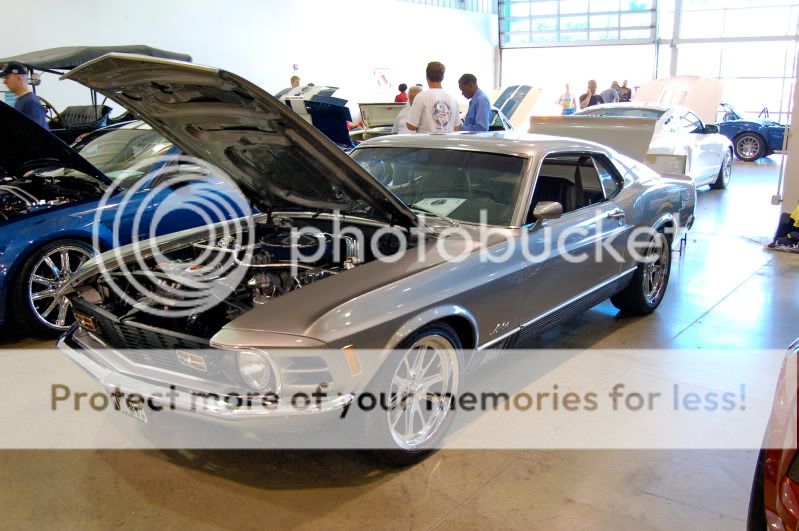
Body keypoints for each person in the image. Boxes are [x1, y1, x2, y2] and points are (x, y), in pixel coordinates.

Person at [406, 61, 460, 134]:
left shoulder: (421, 97)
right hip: (447, 143)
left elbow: (412, 126)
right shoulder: (453, 99)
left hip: (426, 144)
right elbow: (456, 127)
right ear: (442, 77)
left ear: (427, 76)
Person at [1, 61, 48, 129]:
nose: (5, 82)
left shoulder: (30, 102)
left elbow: (36, 135)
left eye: (7, 77)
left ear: (19, 78)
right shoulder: (21, 100)